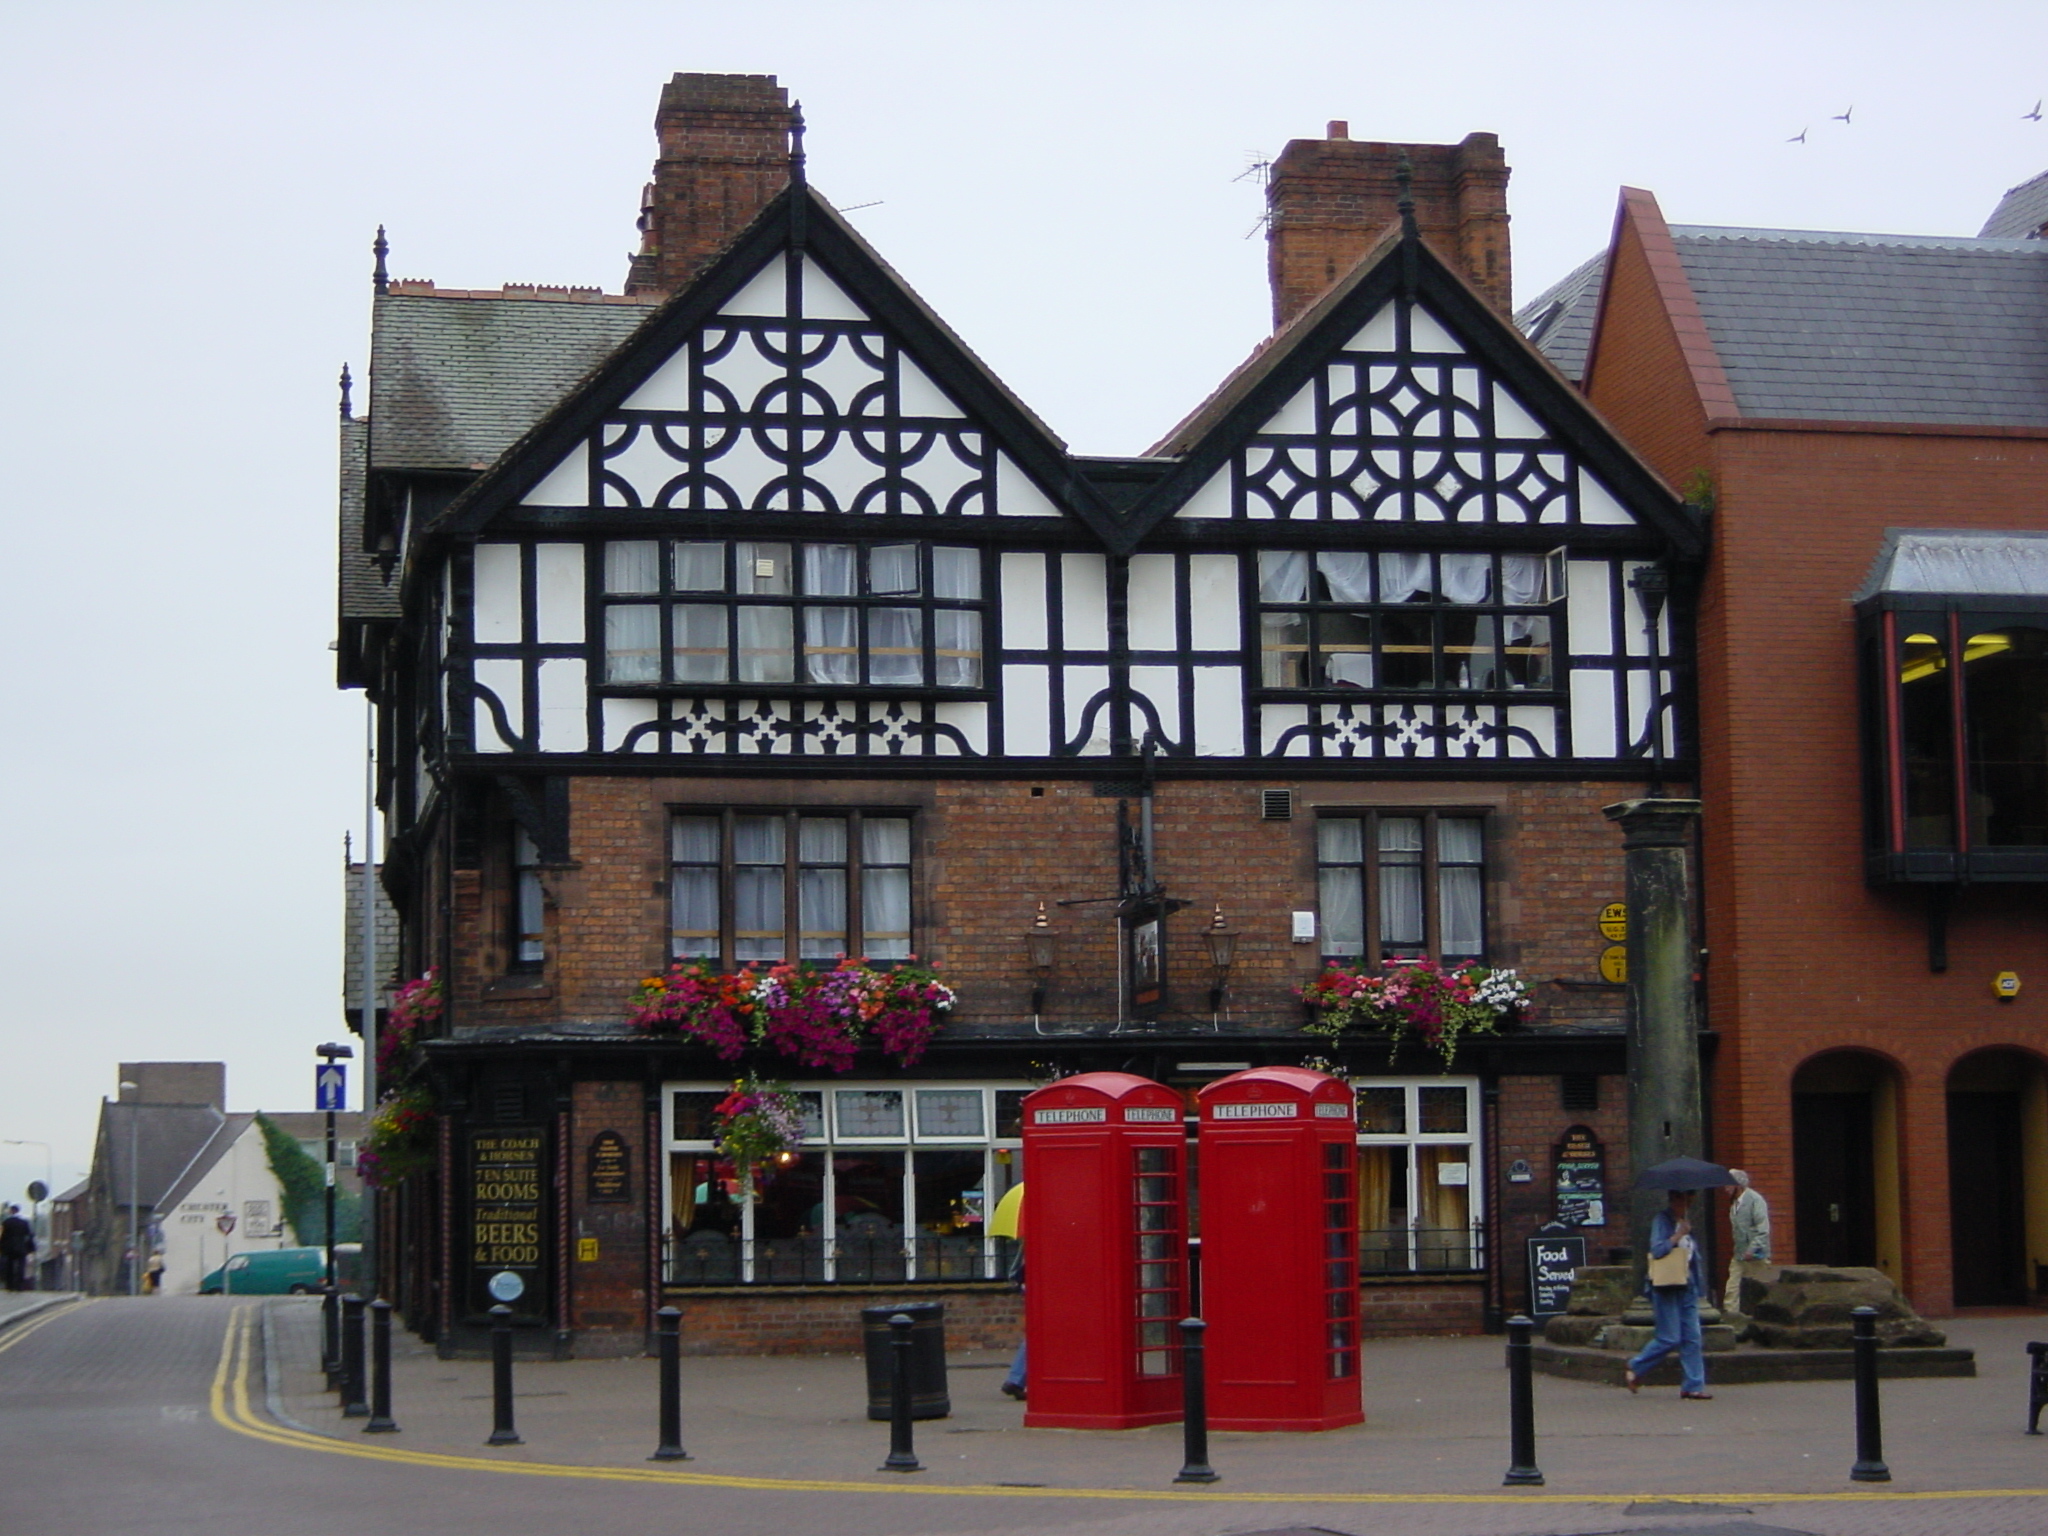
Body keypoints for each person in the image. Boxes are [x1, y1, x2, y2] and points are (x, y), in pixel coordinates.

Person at [1625, 1188, 1710, 1400]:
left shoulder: (1686, 1222)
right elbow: (1657, 1250)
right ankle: (1635, 1366)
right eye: (1684, 1200)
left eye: (1690, 1201)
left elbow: (1691, 1257)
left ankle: (1693, 1386)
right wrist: (1678, 1235)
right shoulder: (1661, 1220)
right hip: (1666, 1287)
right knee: (1670, 1338)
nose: (1687, 1205)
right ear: (1674, 1199)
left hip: (1687, 1285)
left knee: (1692, 1337)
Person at [1723, 1169, 1771, 1315]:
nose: (1725, 1189)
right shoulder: (1735, 1204)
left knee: (1759, 1288)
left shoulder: (1755, 1200)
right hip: (1739, 1254)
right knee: (1732, 1288)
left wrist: (1753, 1249)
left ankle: (1762, 1317)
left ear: (1738, 1185)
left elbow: (1763, 1229)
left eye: (1728, 1185)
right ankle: (1731, 1318)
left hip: (1756, 1256)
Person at [0, 1204, 34, 1292]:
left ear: (11, 1211)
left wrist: (2, 1248)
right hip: (21, 1248)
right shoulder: (24, 1223)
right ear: (18, 1211)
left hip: (9, 1248)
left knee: (9, 1266)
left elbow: (3, 1237)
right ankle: (19, 1286)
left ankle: (10, 1286)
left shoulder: (6, 1222)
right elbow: (29, 1236)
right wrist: (31, 1248)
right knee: (21, 1266)